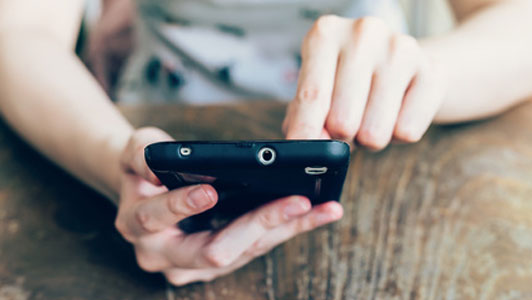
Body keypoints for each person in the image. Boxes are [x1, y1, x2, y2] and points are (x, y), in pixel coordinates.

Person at [0, 0, 531, 286]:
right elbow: (18, 30)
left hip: (375, 144)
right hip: (136, 122)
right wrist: (113, 157)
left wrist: (427, 72)